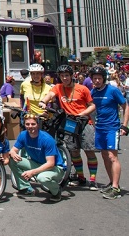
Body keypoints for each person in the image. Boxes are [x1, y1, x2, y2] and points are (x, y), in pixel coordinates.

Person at [39, 64, 97, 190]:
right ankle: (81, 177)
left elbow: (92, 106)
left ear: (71, 76)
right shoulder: (58, 88)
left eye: (66, 75)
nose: (64, 78)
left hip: (84, 122)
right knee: (74, 151)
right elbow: (49, 96)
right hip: (70, 123)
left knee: (89, 151)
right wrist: (43, 102)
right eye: (62, 76)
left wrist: (82, 113)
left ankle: (93, 180)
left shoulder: (82, 89)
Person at [89, 66, 129, 200]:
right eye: (95, 78)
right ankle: (112, 182)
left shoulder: (113, 90)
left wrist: (124, 125)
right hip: (99, 128)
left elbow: (125, 106)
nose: (97, 81)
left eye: (99, 78)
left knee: (113, 157)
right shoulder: (93, 92)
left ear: (104, 78)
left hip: (112, 127)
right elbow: (92, 109)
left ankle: (116, 188)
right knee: (105, 156)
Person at [9, 114, 65, 201]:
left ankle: (57, 191)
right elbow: (13, 150)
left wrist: (32, 172)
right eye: (27, 124)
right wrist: (12, 153)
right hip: (37, 164)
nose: (30, 126)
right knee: (11, 159)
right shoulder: (23, 135)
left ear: (38, 125)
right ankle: (26, 189)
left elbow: (50, 163)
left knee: (42, 178)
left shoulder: (46, 139)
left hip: (54, 168)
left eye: (33, 124)